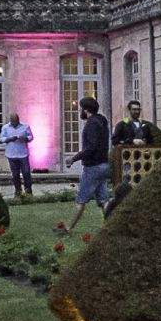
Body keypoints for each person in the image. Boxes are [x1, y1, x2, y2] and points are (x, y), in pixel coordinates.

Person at [66, 96, 111, 225]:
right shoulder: (102, 121)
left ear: (86, 110)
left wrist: (73, 159)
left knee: (81, 200)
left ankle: (68, 228)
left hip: (93, 167)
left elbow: (91, 147)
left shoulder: (92, 124)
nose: (80, 111)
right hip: (103, 165)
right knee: (103, 199)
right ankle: (111, 225)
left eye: (81, 108)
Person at [0, 113, 34, 196]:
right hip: (11, 154)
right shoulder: (5, 127)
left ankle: (28, 191)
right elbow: (1, 138)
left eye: (16, 121)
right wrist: (9, 139)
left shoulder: (25, 126)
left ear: (18, 120)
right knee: (15, 174)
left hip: (23, 154)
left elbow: (31, 137)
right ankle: (18, 191)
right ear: (10, 121)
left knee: (26, 173)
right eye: (13, 122)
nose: (15, 123)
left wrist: (25, 138)